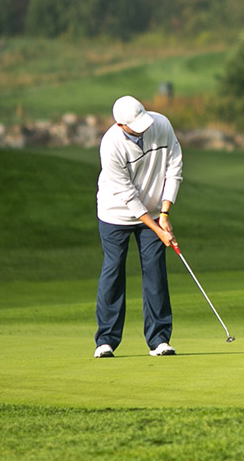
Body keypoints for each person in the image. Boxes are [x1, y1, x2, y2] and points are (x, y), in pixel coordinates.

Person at [92, 94, 183, 358]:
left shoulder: (160, 123)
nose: (144, 127)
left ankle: (158, 340)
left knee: (155, 272)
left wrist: (164, 213)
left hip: (154, 211)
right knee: (114, 270)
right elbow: (128, 196)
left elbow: (174, 166)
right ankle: (106, 340)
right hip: (115, 213)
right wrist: (157, 228)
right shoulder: (110, 145)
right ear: (120, 125)